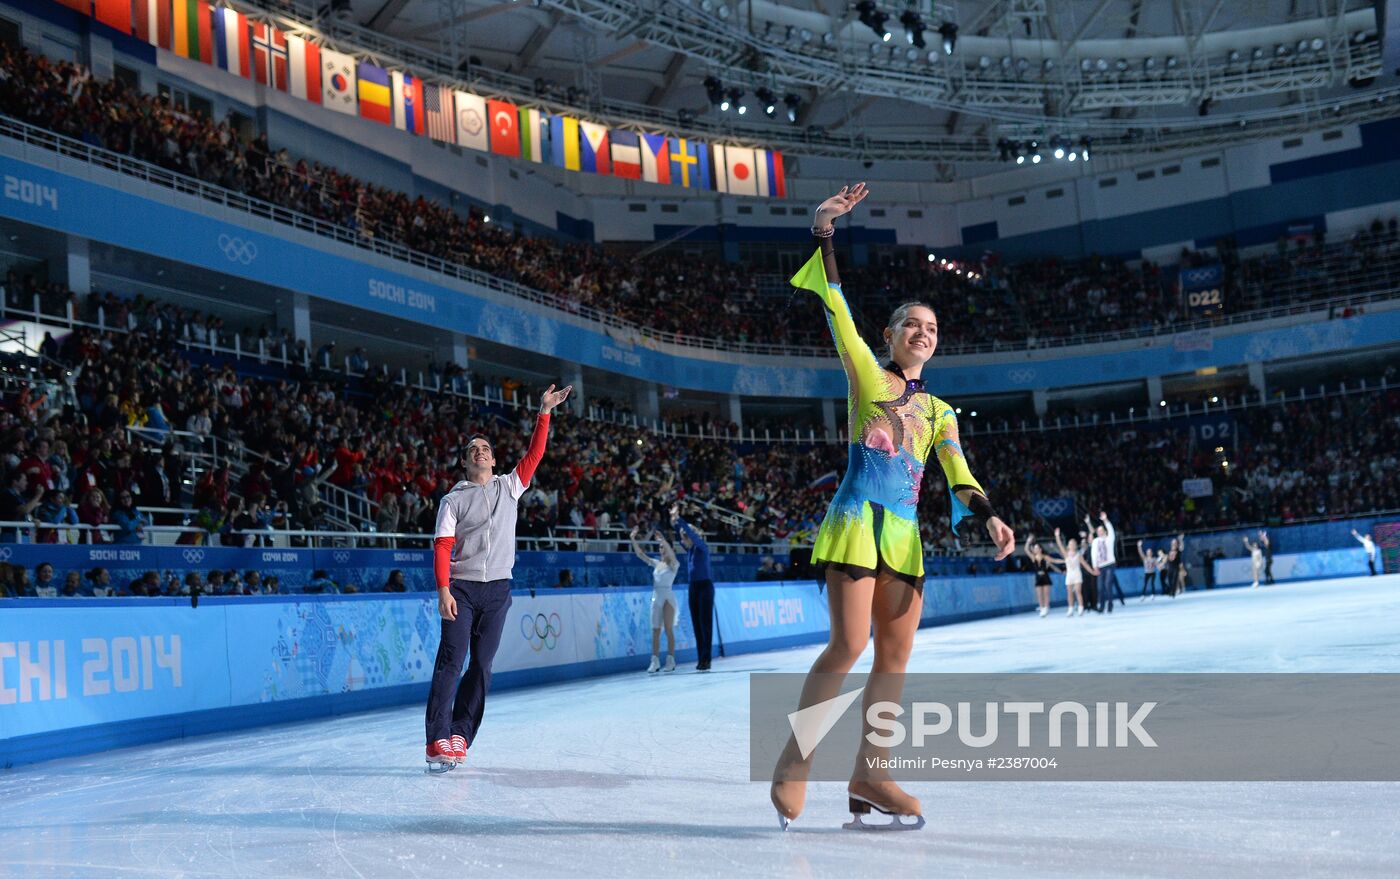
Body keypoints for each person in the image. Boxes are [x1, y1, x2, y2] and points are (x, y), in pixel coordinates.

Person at [771, 184, 1015, 831]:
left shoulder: (940, 411)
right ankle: (797, 759)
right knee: (848, 643)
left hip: (904, 539)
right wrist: (824, 232)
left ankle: (871, 772)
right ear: (891, 334)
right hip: (856, 525)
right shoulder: (866, 373)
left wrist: (987, 512)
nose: (923, 333)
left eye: (932, 328)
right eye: (913, 324)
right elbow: (838, 310)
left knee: (896, 658)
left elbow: (957, 470)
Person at [423, 383, 571, 773]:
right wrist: (442, 590)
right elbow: (442, 546)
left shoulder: (510, 486)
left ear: (493, 458)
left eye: (486, 448)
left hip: (498, 590)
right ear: (466, 462)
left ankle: (461, 732)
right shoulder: (452, 500)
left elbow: (535, 454)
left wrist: (544, 412)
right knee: (451, 662)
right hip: (462, 589)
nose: (481, 451)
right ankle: (436, 738)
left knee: (482, 665)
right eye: (474, 449)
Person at [630, 525, 680, 674]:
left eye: (663, 547)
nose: (661, 549)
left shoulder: (673, 564)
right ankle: (655, 661)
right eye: (659, 547)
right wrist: (632, 539)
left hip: (668, 597)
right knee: (655, 630)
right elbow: (640, 555)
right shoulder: (656, 563)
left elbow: (671, 553)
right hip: (655, 596)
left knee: (668, 629)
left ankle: (670, 659)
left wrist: (664, 540)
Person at [673, 505, 716, 670]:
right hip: (693, 587)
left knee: (705, 623)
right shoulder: (690, 550)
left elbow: (689, 534)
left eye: (686, 535)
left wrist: (680, 521)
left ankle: (707, 658)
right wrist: (675, 523)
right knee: (697, 624)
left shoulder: (702, 547)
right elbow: (680, 537)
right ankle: (701, 658)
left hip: (705, 586)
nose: (684, 538)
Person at [1054, 528, 1097, 617]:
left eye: (1073, 544)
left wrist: (1092, 572)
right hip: (1069, 575)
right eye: (1070, 544)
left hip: (1077, 574)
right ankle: (1070, 609)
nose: (1072, 545)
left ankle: (1081, 608)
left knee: (1078, 591)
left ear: (1075, 545)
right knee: (1069, 592)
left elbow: (1085, 565)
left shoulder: (1079, 555)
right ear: (1068, 546)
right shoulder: (1066, 554)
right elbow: (1059, 545)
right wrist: (1057, 536)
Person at [1088, 512, 1125, 613]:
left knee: (1108, 585)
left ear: (1104, 531)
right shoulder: (1095, 541)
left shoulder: (1110, 538)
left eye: (1101, 530)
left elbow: (1111, 530)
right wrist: (1095, 566)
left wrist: (1105, 520)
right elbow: (1093, 554)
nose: (1099, 532)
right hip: (1100, 566)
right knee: (1100, 588)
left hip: (1110, 565)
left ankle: (1110, 605)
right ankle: (1102, 606)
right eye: (1098, 530)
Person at [1024, 534, 1063, 618]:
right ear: (1034, 550)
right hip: (1038, 577)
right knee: (1039, 594)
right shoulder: (1033, 557)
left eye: (1038, 548)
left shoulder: (1045, 557)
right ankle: (1042, 608)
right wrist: (1028, 541)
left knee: (1046, 594)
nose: (1036, 549)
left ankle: (1046, 607)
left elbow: (1054, 560)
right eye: (1035, 548)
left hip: (1045, 576)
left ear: (1040, 549)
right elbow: (1026, 550)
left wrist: (1064, 560)